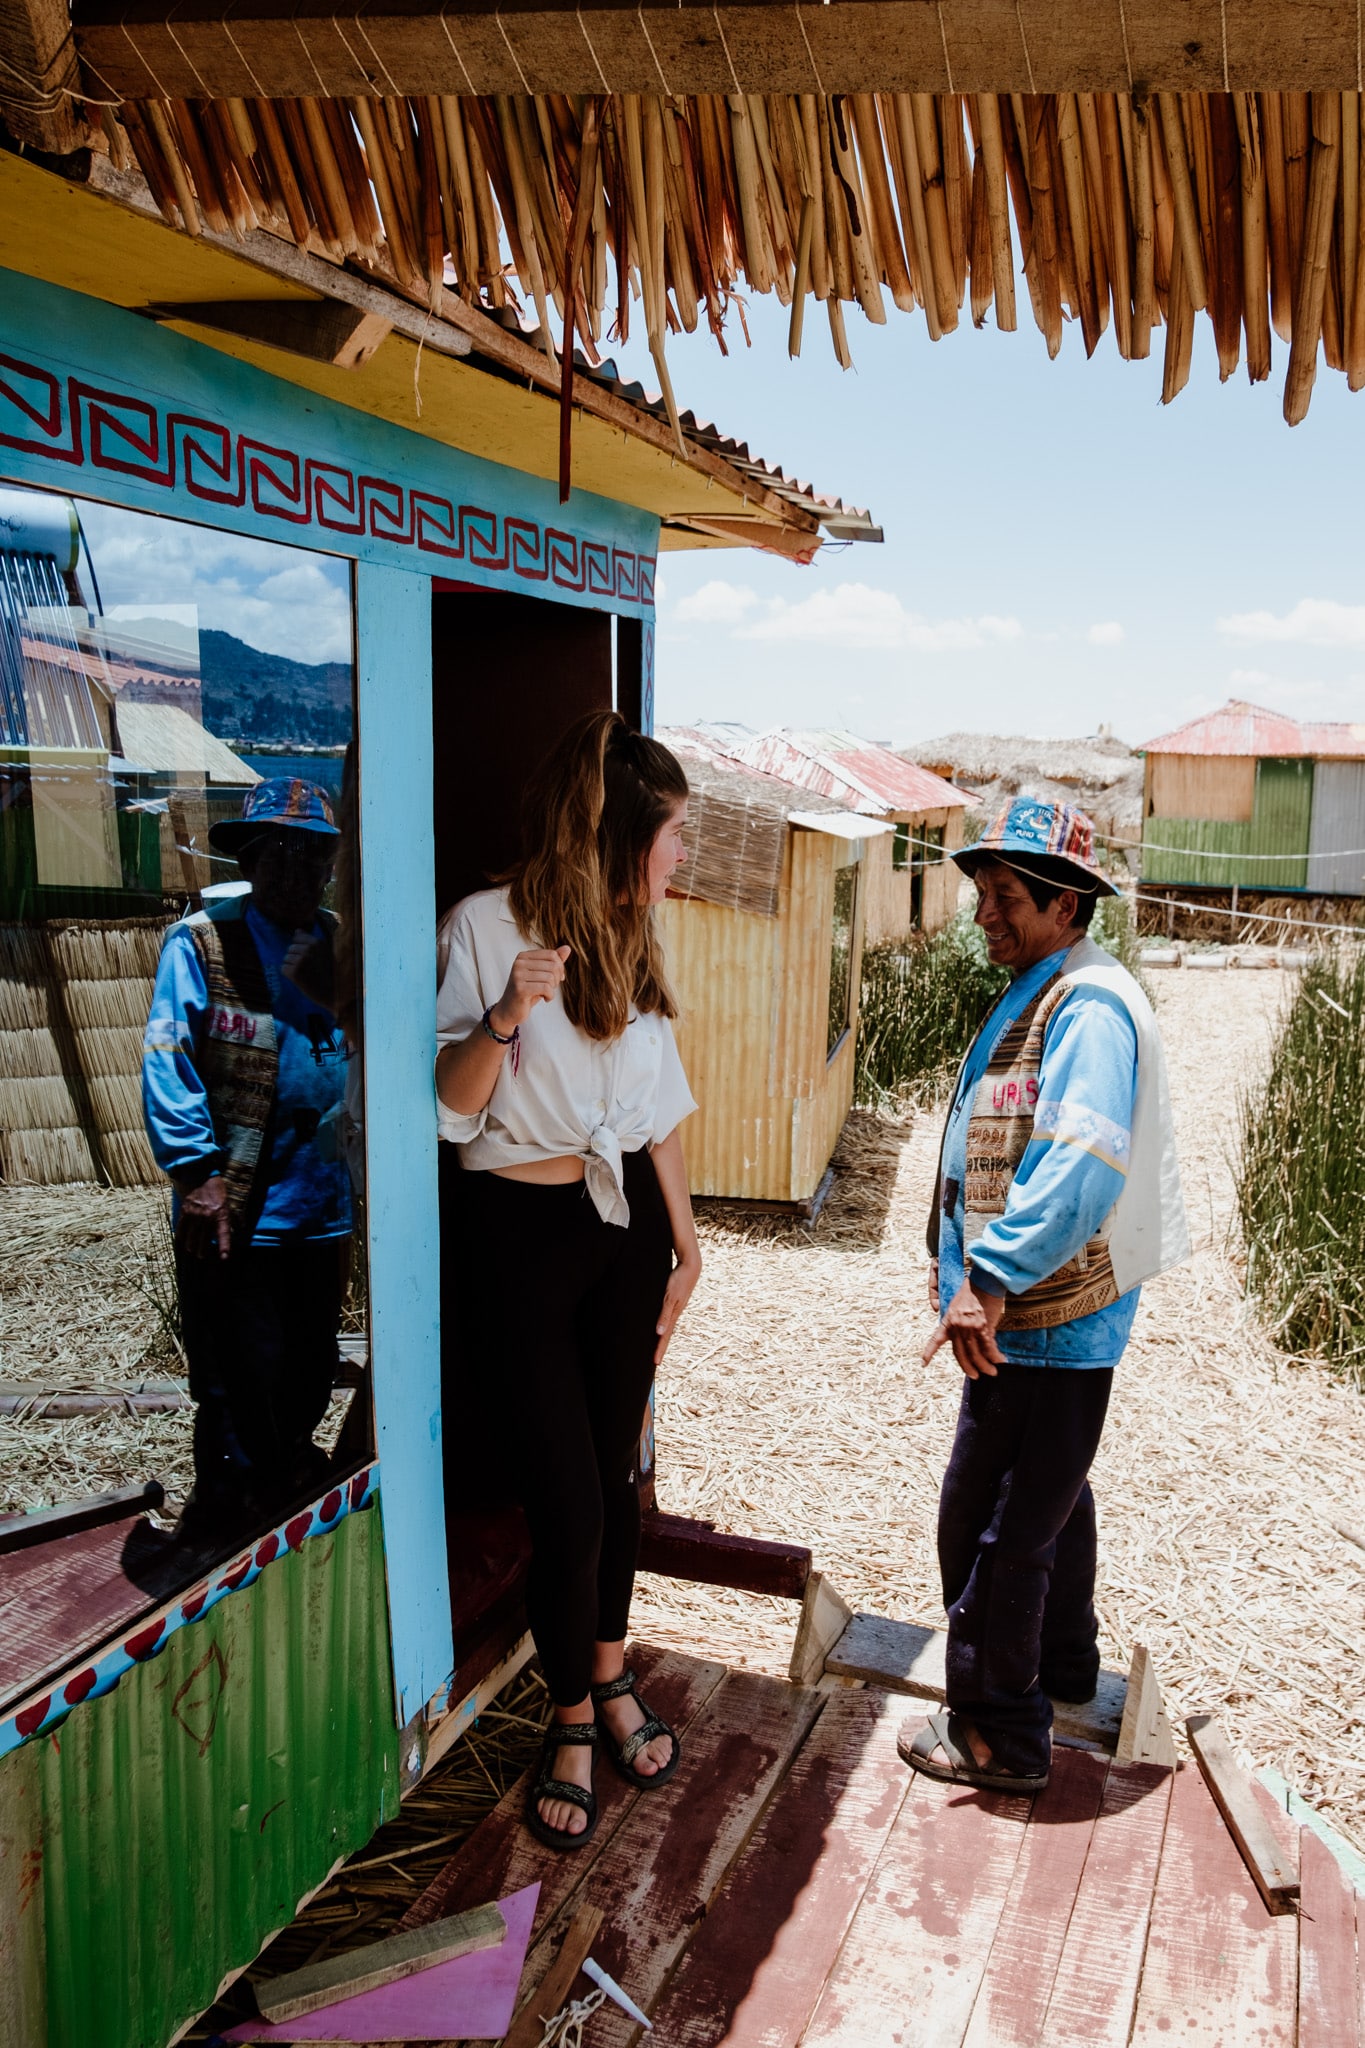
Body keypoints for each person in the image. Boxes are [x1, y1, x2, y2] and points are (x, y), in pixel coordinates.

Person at [435, 711, 701, 1851]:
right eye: (672, 832)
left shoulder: (633, 935)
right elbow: (449, 1110)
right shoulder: (483, 926)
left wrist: (687, 1247)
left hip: (621, 1230)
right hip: (520, 1234)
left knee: (614, 1479)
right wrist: (506, 1014)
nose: (682, 853)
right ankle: (573, 1717)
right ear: (618, 833)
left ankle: (610, 1672)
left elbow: (656, 1113)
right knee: (569, 1500)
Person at [901, 798, 1187, 1794]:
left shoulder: (1088, 1009)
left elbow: (1078, 1166)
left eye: (1006, 896)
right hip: (1041, 1317)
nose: (984, 912)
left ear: (1065, 905)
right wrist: (960, 1263)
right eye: (982, 892)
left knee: (991, 1524)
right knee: (1049, 1499)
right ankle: (1063, 1670)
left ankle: (999, 1732)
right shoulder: (1053, 985)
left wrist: (988, 1277)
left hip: (1046, 1319)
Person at [142, 778, 352, 1541]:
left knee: (309, 1363)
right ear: (251, 860)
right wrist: (196, 1174)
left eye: (313, 856)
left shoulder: (337, 942)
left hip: (322, 1203)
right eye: (279, 853)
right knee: (235, 1373)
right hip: (234, 1205)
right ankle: (226, 1518)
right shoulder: (204, 943)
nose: (297, 871)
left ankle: (284, 1491)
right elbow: (168, 1058)